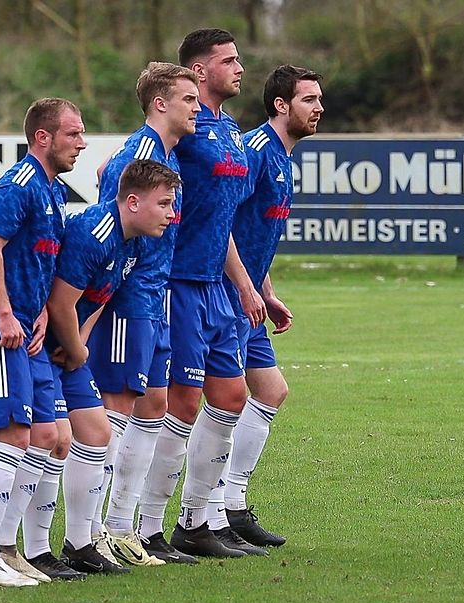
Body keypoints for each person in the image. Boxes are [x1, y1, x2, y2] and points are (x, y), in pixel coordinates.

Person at [136, 28, 266, 558]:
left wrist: (246, 284)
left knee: (232, 397)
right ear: (198, 70)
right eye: (228, 61)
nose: (239, 68)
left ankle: (199, 522)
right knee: (181, 404)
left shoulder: (230, 129)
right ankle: (145, 528)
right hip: (181, 282)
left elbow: (222, 220)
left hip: (218, 286)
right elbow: (125, 178)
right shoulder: (184, 129)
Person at [0, 97, 86, 587]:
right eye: (73, 134)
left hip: (24, 331)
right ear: (43, 138)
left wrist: (36, 317)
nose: (81, 142)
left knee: (49, 436)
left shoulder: (53, 191)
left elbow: (39, 262)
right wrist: (9, 312)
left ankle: (8, 552)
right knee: (13, 436)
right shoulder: (19, 185)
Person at [85, 62, 200, 567]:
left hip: (157, 299)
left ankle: (124, 528)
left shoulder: (167, 156)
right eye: (188, 99)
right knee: (116, 410)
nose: (197, 108)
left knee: (153, 405)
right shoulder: (134, 157)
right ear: (160, 104)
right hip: (128, 300)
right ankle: (90, 534)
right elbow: (111, 227)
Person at [43, 159, 182, 575]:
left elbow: (99, 298)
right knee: (40, 440)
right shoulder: (95, 231)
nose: (171, 214)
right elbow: (59, 301)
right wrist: (75, 348)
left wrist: (80, 342)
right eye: (165, 204)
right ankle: (20, 549)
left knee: (96, 432)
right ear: (133, 202)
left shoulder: (134, 240)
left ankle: (80, 542)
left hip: (66, 345)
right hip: (37, 345)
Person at [210, 65, 324, 548]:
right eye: (309, 100)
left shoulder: (283, 156)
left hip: (250, 293)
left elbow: (259, 234)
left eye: (319, 100)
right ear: (281, 105)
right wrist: (243, 286)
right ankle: (208, 513)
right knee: (224, 402)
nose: (319, 108)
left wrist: (267, 288)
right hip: (228, 292)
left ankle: (233, 505)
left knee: (271, 391)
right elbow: (223, 224)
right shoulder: (255, 153)